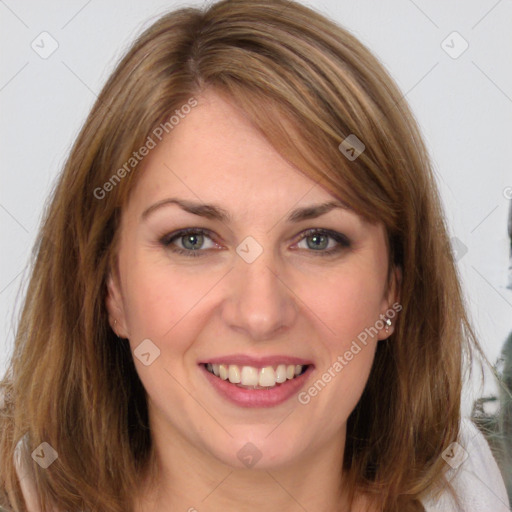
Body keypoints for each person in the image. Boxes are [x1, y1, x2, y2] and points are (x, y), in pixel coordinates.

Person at [0, 1, 509, 511]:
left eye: (318, 240)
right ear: (111, 287)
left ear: (392, 290)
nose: (260, 314)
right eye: (193, 240)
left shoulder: (472, 490)